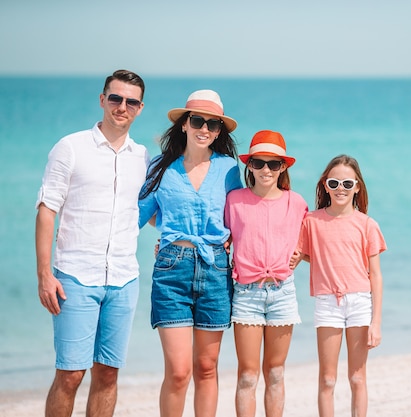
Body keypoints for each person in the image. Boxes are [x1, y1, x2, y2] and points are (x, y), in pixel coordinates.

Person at [35, 69, 149, 417]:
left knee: (108, 374)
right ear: (102, 100)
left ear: (140, 108)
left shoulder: (142, 156)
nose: (122, 107)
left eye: (131, 101)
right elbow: (46, 210)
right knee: (70, 374)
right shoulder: (70, 147)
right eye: (115, 98)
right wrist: (44, 274)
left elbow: (149, 210)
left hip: (124, 279)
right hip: (74, 277)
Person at [138, 89, 242, 417]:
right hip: (172, 272)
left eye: (213, 125)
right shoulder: (161, 168)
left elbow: (242, 216)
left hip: (215, 270)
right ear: (184, 124)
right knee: (180, 371)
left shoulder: (228, 169)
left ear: (219, 132)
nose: (205, 129)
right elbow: (137, 215)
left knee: (207, 368)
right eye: (198, 120)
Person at [225, 130, 308, 417]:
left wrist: (302, 255)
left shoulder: (295, 202)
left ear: (283, 167)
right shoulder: (234, 200)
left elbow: (313, 238)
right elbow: (217, 235)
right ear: (249, 165)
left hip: (283, 293)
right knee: (247, 375)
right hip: (246, 294)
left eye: (273, 164)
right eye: (259, 163)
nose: (266, 170)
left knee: (275, 372)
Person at [297, 154, 386, 417]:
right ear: (325, 185)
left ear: (357, 187)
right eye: (334, 183)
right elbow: (302, 254)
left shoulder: (367, 225)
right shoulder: (311, 222)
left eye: (348, 184)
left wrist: (376, 322)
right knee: (327, 379)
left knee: (357, 378)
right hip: (327, 303)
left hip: (359, 302)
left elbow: (376, 276)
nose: (340, 189)